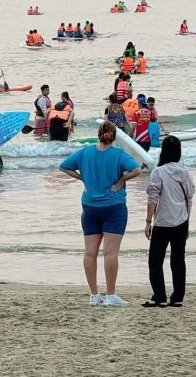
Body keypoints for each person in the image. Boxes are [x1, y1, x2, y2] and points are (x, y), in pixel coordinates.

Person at [59, 121, 142, 307]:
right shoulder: (118, 154)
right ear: (114, 137)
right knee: (110, 253)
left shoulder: (85, 152)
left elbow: (63, 166)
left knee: (90, 253)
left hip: (89, 206)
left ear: (98, 134)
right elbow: (137, 169)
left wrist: (82, 178)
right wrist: (122, 179)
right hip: (114, 206)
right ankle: (111, 295)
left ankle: (94, 295)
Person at [144, 136, 194, 307]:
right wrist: (187, 221)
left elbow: (152, 199)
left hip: (163, 222)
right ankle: (178, 297)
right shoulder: (185, 172)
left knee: (155, 261)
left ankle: (160, 296)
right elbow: (189, 199)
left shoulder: (159, 172)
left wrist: (148, 221)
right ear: (179, 152)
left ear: (163, 151)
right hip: (181, 221)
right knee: (178, 260)